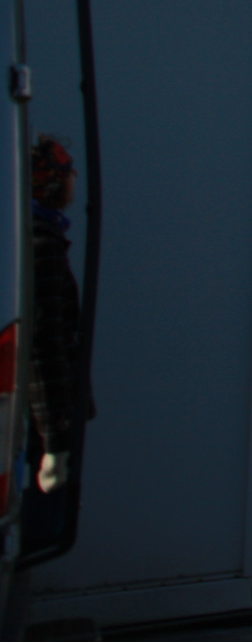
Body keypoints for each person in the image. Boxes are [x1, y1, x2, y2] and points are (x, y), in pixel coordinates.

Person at [25, 136, 89, 520]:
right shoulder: (41, 245)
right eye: (68, 174)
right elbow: (42, 345)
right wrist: (55, 441)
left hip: (44, 418)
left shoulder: (36, 235)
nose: (74, 180)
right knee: (38, 520)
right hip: (42, 424)